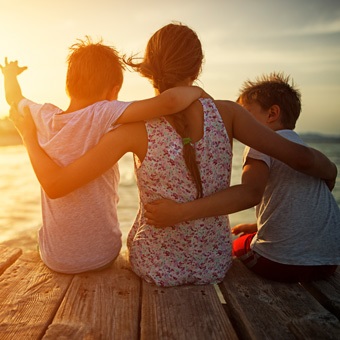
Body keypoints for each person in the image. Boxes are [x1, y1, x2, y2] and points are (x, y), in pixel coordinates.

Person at [10, 23, 337, 287]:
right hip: (214, 264)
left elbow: (60, 183)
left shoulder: (134, 128)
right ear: (197, 66)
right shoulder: (229, 114)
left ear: (149, 69)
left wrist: (30, 132)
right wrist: (328, 168)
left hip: (154, 267)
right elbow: (268, 182)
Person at [1, 37, 206, 274]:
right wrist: (196, 90)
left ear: (68, 85)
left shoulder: (43, 116)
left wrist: (9, 76)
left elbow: (13, 98)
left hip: (55, 259)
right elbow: (169, 102)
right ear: (114, 91)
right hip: (101, 256)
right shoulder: (103, 112)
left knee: (42, 238)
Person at [144, 72, 340, 283]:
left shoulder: (261, 144)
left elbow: (251, 193)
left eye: (245, 114)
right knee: (248, 236)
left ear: (272, 114)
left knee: (233, 245)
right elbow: (304, 204)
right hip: (328, 263)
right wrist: (259, 225)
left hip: (281, 264)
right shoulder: (300, 147)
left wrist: (180, 212)